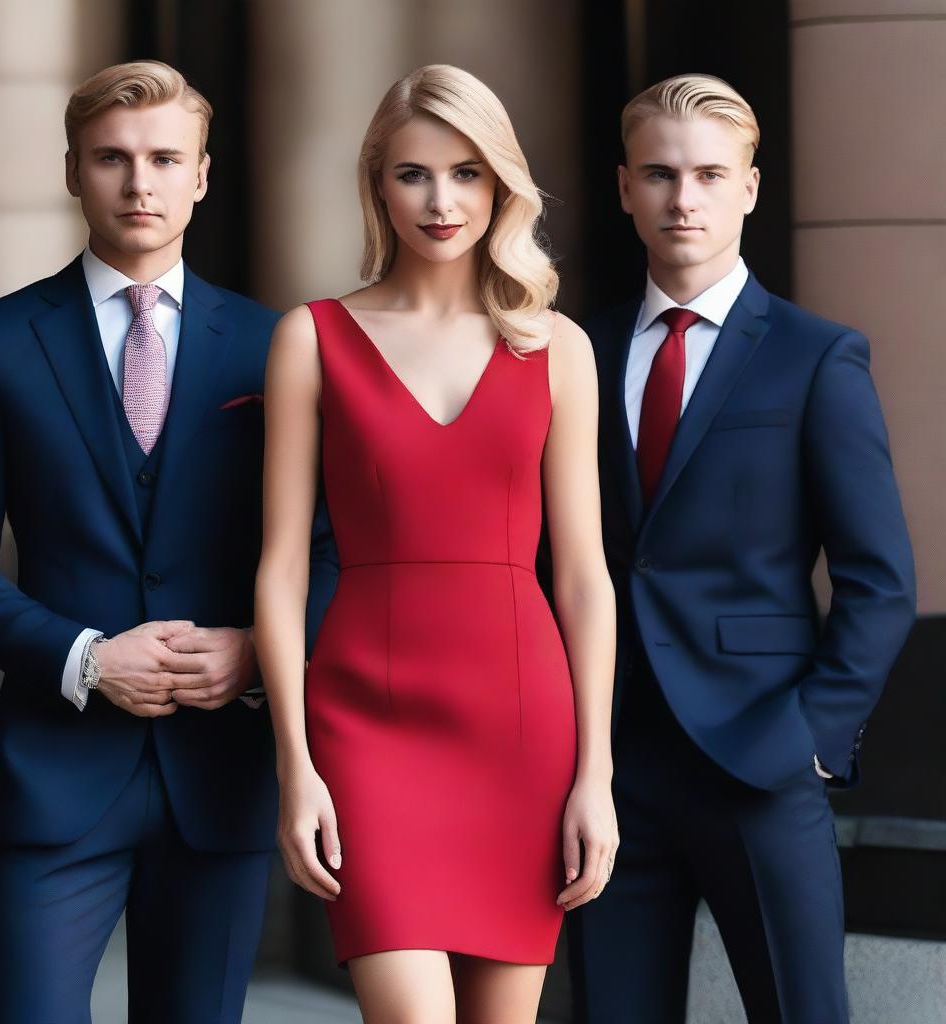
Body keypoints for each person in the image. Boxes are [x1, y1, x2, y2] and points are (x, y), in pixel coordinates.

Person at [0, 60, 336, 1023]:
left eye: (162, 159)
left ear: (200, 174)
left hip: (221, 773)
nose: (138, 182)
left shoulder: (281, 343)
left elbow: (328, 543)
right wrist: (83, 657)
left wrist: (257, 655)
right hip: (56, 772)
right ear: (73, 170)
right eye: (111, 158)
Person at [254, 64, 618, 1023]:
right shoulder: (312, 337)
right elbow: (282, 568)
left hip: (521, 728)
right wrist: (296, 764)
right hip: (367, 728)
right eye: (413, 173)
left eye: (466, 172)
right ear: (378, 183)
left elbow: (582, 576)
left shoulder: (557, 348)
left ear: (502, 184)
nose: (441, 199)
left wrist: (596, 775)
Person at [569, 74, 916, 1023]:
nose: (685, 198)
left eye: (711, 175)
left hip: (758, 756)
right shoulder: (574, 352)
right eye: (661, 174)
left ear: (750, 189)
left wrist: (810, 737)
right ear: (624, 188)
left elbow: (880, 579)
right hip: (606, 769)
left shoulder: (815, 356)